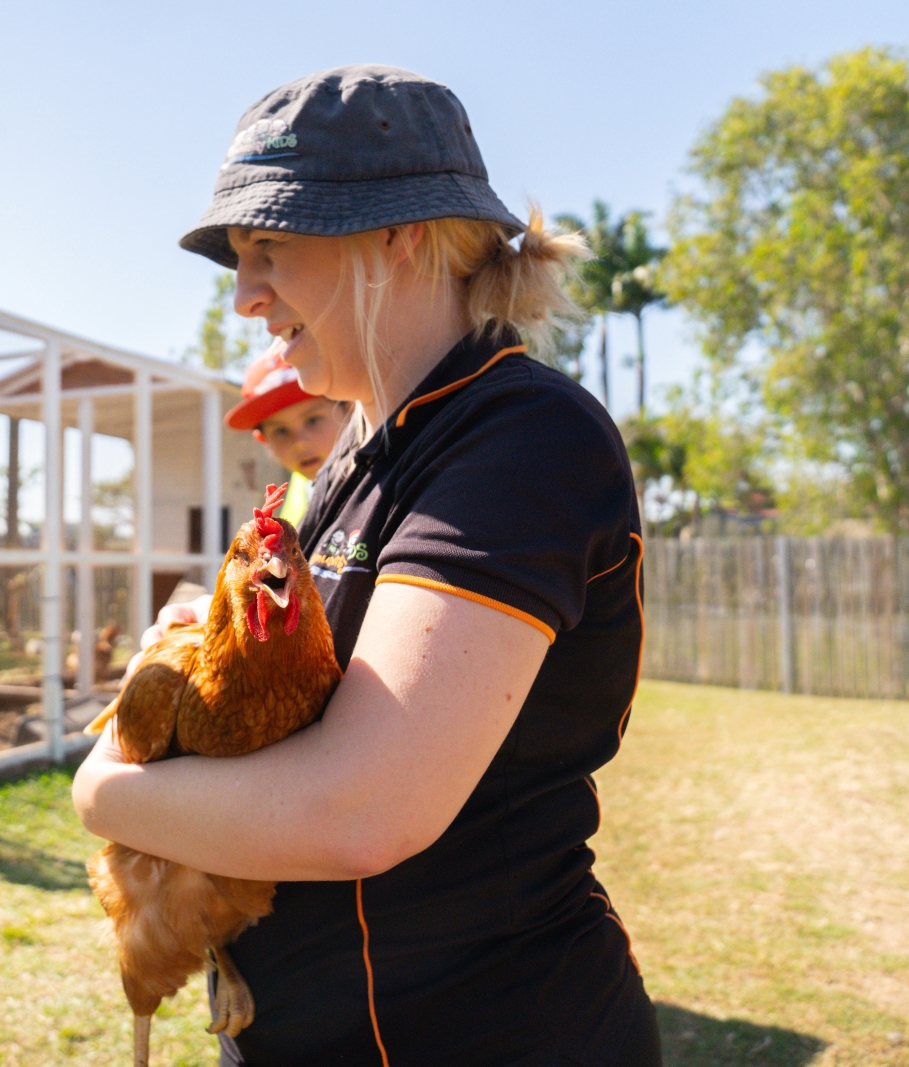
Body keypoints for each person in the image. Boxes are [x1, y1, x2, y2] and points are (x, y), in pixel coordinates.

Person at [73, 66, 660, 1066]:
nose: (245, 296)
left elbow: (356, 809)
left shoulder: (517, 436)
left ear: (399, 235)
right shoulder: (357, 447)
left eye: (270, 251)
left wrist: (101, 786)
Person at [227, 338, 352, 526]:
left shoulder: (392, 478)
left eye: (313, 420)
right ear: (264, 440)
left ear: (349, 409)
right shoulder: (300, 491)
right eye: (281, 431)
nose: (299, 443)